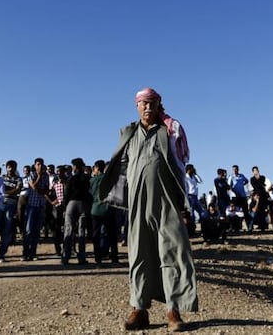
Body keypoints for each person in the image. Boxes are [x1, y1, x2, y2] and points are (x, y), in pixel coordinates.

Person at [98, 87, 197, 332]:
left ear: (159, 104)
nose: (148, 107)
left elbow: (181, 164)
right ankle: (139, 309)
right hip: (138, 204)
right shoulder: (128, 133)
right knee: (139, 255)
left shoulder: (169, 131)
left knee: (172, 252)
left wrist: (183, 204)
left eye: (152, 102)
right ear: (137, 106)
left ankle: (173, 311)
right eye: (143, 103)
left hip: (166, 202)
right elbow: (120, 167)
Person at [62, 157, 91, 265]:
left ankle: (65, 256)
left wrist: (65, 208)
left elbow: (67, 194)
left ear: (75, 167)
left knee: (68, 230)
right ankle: (81, 257)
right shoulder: (87, 178)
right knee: (82, 231)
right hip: (83, 204)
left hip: (71, 204)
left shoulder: (71, 179)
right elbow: (89, 193)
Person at [89, 160, 119, 264]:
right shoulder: (110, 179)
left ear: (96, 168)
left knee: (96, 235)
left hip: (96, 209)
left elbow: (90, 194)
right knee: (112, 235)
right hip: (109, 209)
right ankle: (114, 257)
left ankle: (98, 258)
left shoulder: (92, 180)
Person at [23, 158, 48, 261]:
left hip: (41, 206)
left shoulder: (46, 176)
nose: (40, 166)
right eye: (38, 164)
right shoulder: (31, 175)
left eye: (41, 164)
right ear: (34, 165)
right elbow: (33, 186)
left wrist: (39, 188)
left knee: (36, 232)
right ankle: (25, 253)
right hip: (31, 206)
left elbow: (45, 190)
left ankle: (33, 253)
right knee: (28, 230)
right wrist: (39, 176)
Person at [0, 160, 22, 262]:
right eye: (9, 167)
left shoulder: (18, 179)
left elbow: (18, 189)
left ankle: (1, 254)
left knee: (7, 230)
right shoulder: (1, 178)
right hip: (0, 205)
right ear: (6, 168)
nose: (10, 169)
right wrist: (8, 192)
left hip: (11, 205)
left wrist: (5, 192)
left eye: (13, 167)